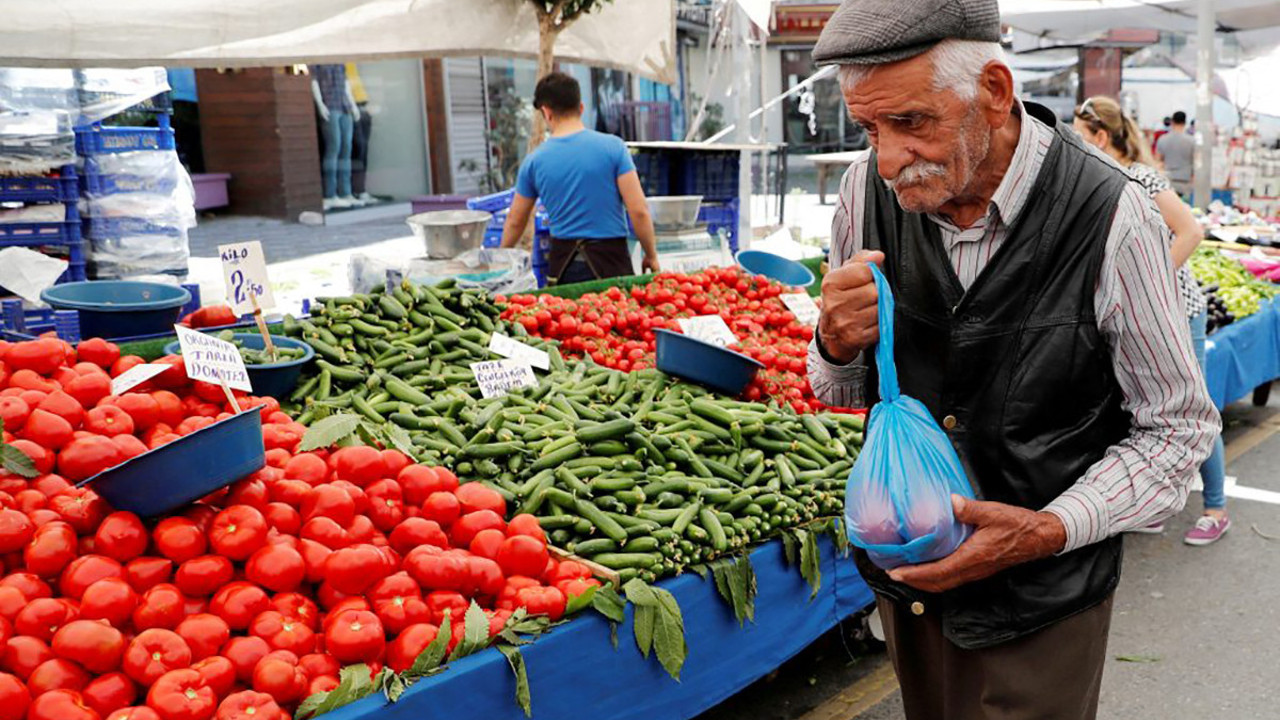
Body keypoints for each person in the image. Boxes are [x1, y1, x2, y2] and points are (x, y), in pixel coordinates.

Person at [809, 0, 1220, 716]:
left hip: (1045, 605)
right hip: (911, 585)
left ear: (995, 92)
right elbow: (841, 393)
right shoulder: (862, 192)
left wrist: (1047, 530)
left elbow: (1178, 429)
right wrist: (835, 342)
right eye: (870, 129)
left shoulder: (1112, 213)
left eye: (911, 122)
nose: (888, 159)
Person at [1074, 96, 1229, 545]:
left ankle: (1216, 508)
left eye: (1081, 137)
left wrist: (1148, 286)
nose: (1074, 146)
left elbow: (1191, 231)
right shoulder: (1097, 181)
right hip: (1135, 316)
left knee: (1190, 408)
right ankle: (1155, 505)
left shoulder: (1140, 178)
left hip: (1179, 312)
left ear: (1101, 137)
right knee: (1141, 408)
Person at [501, 72, 659, 283]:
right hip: (612, 265)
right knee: (617, 306)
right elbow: (639, 211)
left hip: (564, 268)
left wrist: (500, 259)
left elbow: (515, 221)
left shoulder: (533, 161)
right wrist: (651, 254)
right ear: (581, 108)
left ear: (546, 112)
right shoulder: (614, 147)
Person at [1156, 110, 1195, 200]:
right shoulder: (1192, 141)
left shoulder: (1162, 139)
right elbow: (1195, 163)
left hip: (1166, 183)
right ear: (1185, 123)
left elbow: (1158, 161)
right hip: (1185, 182)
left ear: (1172, 122)